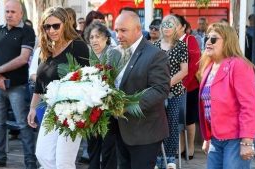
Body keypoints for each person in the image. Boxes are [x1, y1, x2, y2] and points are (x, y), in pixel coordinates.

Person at [26, 7, 89, 169]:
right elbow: (40, 84)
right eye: (47, 27)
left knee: (63, 162)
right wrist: (33, 107)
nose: (51, 30)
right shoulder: (45, 49)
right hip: (51, 108)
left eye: (56, 26)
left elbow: (88, 80)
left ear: (65, 24)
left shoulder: (78, 46)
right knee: (43, 155)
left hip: (74, 109)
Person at [0, 0, 37, 169]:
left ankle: (30, 160)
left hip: (17, 87)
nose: (9, 15)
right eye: (7, 11)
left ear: (21, 14)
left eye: (13, 12)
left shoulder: (27, 31)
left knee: (23, 123)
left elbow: (23, 58)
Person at [199, 23, 255, 169]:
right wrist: (208, 137)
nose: (208, 42)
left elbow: (249, 105)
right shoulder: (209, 67)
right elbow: (209, 105)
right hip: (216, 136)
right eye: (207, 38)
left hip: (237, 136)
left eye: (214, 39)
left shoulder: (239, 65)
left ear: (227, 41)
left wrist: (246, 141)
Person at [114, 10, 170, 169]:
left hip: (145, 132)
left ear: (138, 29)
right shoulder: (115, 53)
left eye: (123, 30)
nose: (118, 35)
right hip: (120, 130)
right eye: (117, 30)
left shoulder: (155, 54)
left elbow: (160, 89)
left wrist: (126, 106)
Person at [84, 21, 121, 169]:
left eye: (97, 36)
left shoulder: (115, 54)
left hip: (109, 108)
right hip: (90, 108)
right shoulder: (86, 55)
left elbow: (119, 80)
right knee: (92, 147)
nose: (94, 40)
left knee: (108, 149)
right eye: (91, 37)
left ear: (106, 38)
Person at [153, 14, 188, 168]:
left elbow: (184, 71)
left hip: (174, 93)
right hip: (157, 94)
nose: (167, 27)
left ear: (176, 28)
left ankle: (171, 158)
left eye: (170, 24)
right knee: (157, 124)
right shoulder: (154, 46)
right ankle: (158, 157)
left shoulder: (181, 46)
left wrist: (166, 84)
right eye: (165, 24)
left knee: (172, 124)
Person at [175, 14, 201, 160]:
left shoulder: (190, 40)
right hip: (174, 88)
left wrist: (183, 83)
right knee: (178, 119)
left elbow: (194, 65)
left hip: (189, 86)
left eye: (176, 25)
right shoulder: (169, 41)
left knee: (189, 119)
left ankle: (190, 147)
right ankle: (181, 146)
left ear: (183, 27)